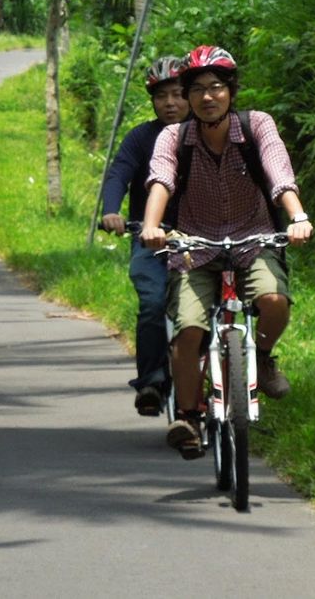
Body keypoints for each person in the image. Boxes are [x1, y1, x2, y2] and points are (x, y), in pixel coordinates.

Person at [140, 45, 313, 459]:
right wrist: (151, 227)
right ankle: (188, 416)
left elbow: (279, 173)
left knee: (273, 299)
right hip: (195, 246)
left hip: (254, 238)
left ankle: (265, 357)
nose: (207, 97)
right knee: (189, 330)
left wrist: (297, 217)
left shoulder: (257, 127)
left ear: (231, 90)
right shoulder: (174, 137)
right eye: (196, 89)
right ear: (188, 96)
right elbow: (160, 180)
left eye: (216, 87)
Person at [100, 56, 189, 416]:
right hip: (150, 239)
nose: (171, 103)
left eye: (179, 94)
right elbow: (119, 173)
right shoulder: (141, 137)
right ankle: (151, 380)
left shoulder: (210, 134)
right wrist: (112, 211)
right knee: (153, 304)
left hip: (203, 241)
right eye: (162, 96)